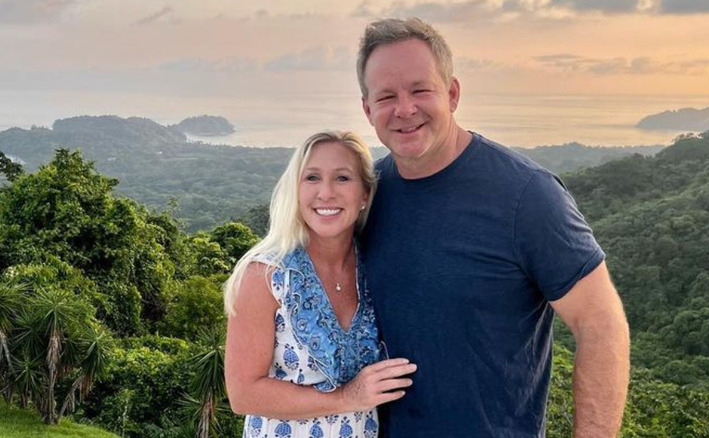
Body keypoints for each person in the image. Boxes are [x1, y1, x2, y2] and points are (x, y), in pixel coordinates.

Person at [357, 18, 631, 437]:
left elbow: (601, 323)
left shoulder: (526, 195)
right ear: (367, 108)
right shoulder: (363, 198)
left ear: (451, 94)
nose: (405, 109)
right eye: (387, 96)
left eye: (420, 90)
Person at [224, 131, 416, 438]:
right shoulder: (266, 274)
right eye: (312, 178)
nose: (326, 193)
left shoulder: (374, 267)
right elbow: (243, 393)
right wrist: (345, 398)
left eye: (342, 178)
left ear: (364, 194)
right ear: (296, 190)